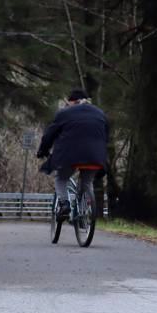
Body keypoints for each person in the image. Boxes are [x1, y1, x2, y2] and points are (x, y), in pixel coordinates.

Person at [36, 89, 109, 221]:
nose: (67, 105)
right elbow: (106, 136)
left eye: (68, 103)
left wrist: (42, 150)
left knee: (61, 179)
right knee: (87, 182)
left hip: (69, 155)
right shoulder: (100, 113)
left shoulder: (64, 113)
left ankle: (64, 205)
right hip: (96, 155)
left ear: (74, 101)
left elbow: (49, 135)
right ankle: (84, 210)